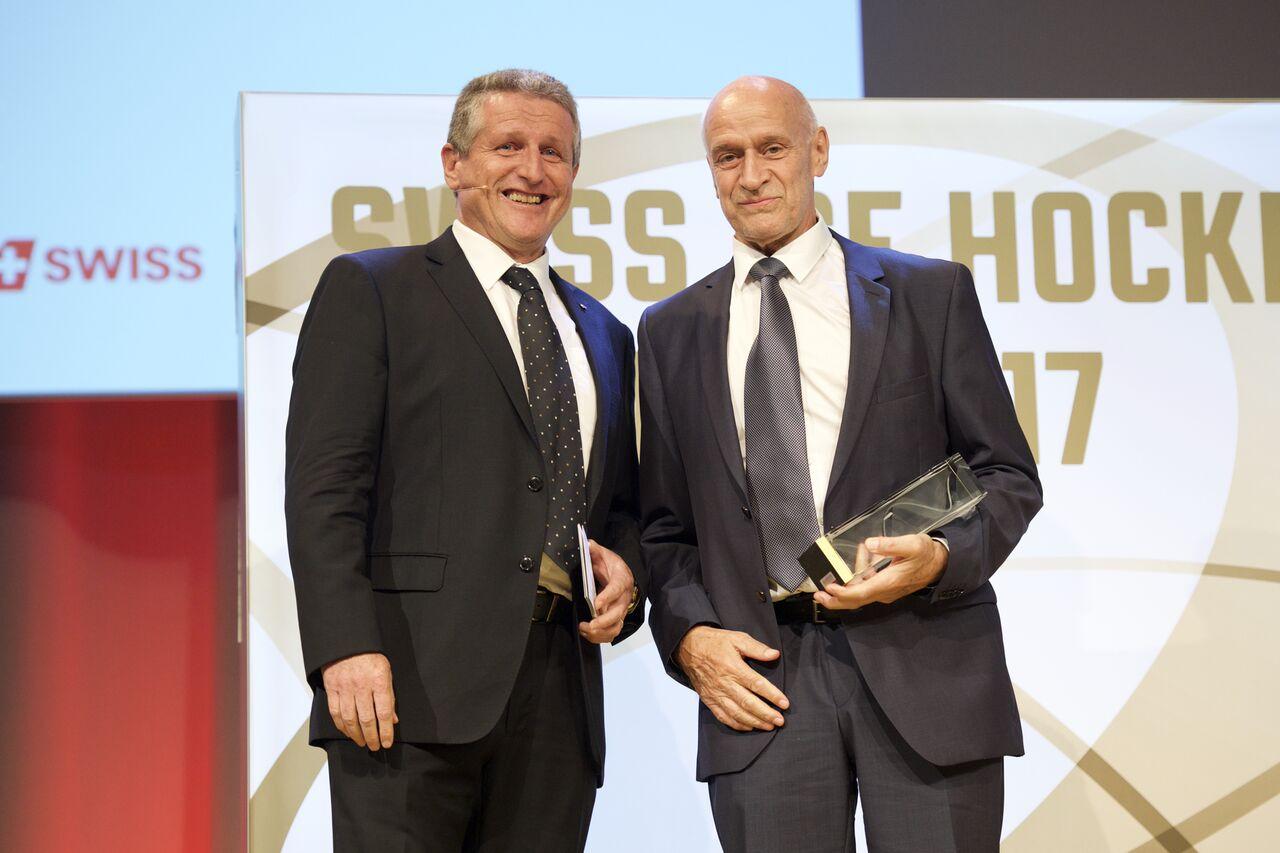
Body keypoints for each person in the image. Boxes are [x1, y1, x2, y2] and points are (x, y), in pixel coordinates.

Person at [638, 76, 1042, 852]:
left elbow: (1005, 475)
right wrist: (690, 636)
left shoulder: (928, 293)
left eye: (772, 148)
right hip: (761, 686)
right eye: (727, 156)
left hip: (925, 665)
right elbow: (665, 528)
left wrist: (940, 558)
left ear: (817, 151)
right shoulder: (670, 329)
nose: (750, 174)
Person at [285, 68, 644, 853]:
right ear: (454, 164)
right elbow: (324, 490)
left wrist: (630, 573)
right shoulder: (374, 288)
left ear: (573, 174)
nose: (532, 169)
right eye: (507, 146)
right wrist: (343, 646)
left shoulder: (606, 333)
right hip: (406, 691)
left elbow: (618, 510)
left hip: (559, 706)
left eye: (553, 152)